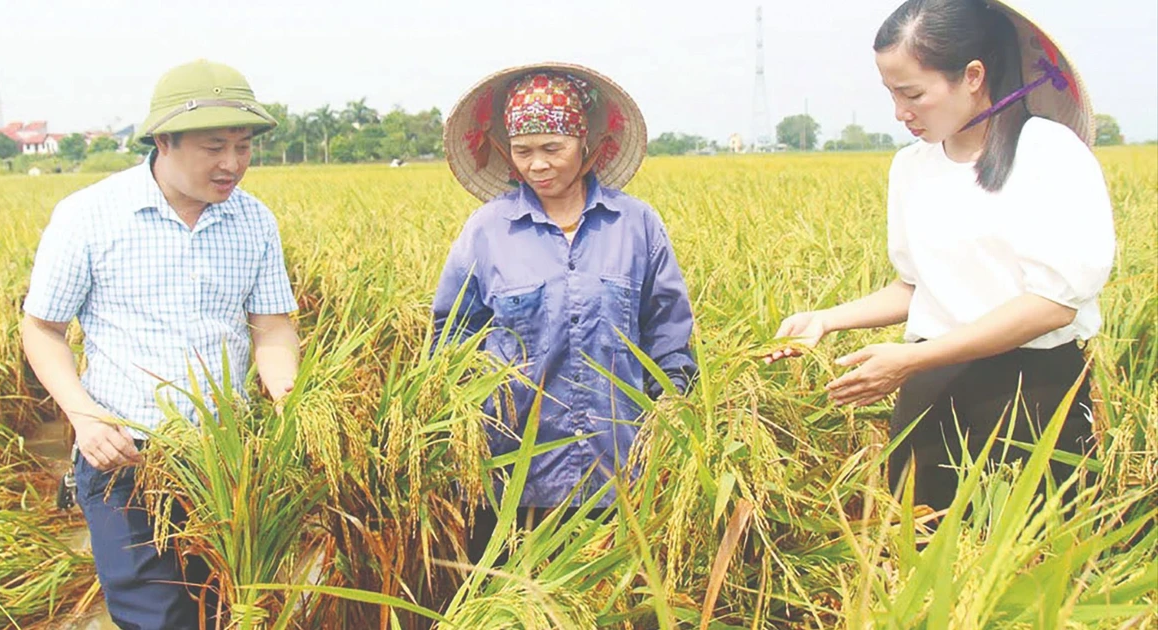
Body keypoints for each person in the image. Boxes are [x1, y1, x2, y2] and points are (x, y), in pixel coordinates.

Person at [765, 0, 1114, 513]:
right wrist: (825, 320)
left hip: (1029, 395)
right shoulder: (912, 166)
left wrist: (913, 358)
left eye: (913, 94)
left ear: (972, 76)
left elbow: (1053, 305)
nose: (901, 113)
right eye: (891, 94)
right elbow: (916, 286)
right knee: (921, 559)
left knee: (1032, 569)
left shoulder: (1051, 153)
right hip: (929, 395)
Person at [20, 59, 301, 629]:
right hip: (124, 455)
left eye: (244, 146)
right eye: (215, 147)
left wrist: (292, 399)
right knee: (156, 616)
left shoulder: (254, 221)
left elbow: (271, 325)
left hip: (227, 455)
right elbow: (42, 328)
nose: (233, 164)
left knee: (231, 606)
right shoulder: (89, 216)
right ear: (164, 141)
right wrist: (85, 418)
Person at [432, 63, 697, 561]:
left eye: (552, 149)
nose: (537, 165)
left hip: (617, 471)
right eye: (524, 151)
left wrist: (671, 408)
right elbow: (452, 336)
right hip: (513, 479)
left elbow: (668, 334)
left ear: (586, 146)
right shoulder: (487, 231)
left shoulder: (636, 225)